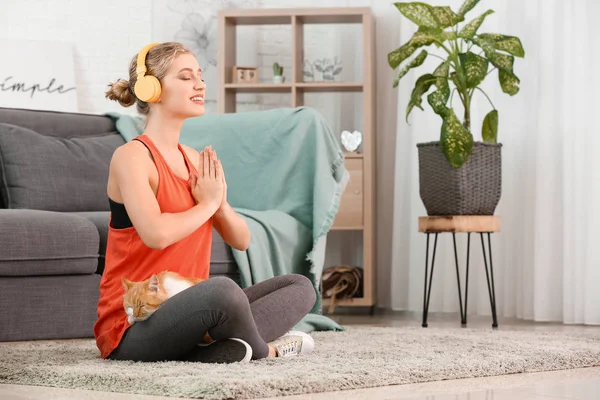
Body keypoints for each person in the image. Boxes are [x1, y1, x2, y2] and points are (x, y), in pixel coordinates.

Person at [94, 42, 317, 363]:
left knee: (299, 286)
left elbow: (241, 240)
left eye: (199, 76)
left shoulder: (195, 160)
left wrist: (219, 203)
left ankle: (213, 348)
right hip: (132, 328)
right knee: (223, 291)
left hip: (194, 315)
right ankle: (266, 350)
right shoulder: (132, 157)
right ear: (151, 88)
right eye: (186, 77)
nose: (200, 84)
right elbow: (156, 234)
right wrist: (207, 205)